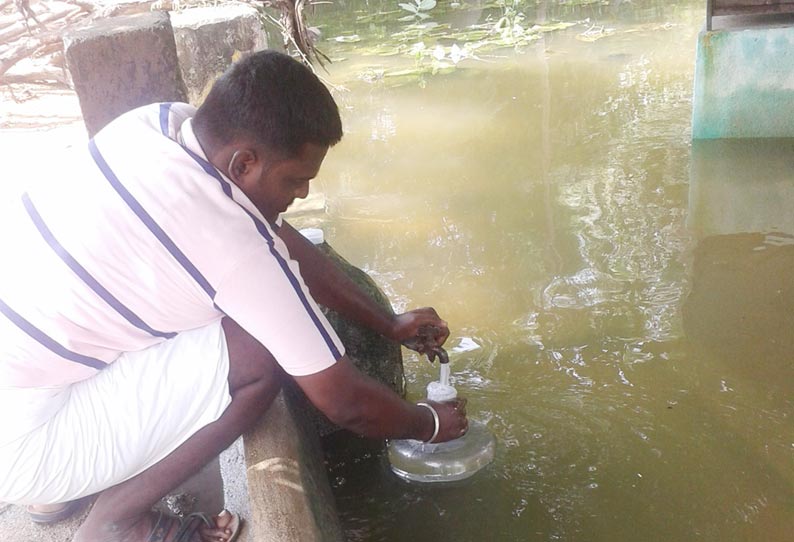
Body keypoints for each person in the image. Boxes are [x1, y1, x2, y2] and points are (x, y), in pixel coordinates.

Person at [0, 50, 468, 542]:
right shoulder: (228, 241)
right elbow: (344, 401)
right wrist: (429, 424)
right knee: (260, 355)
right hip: (23, 445)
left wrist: (387, 322)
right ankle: (116, 521)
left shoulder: (158, 125)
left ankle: (51, 492)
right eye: (295, 178)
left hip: (20, 386)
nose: (305, 193)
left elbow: (276, 241)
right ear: (244, 162)